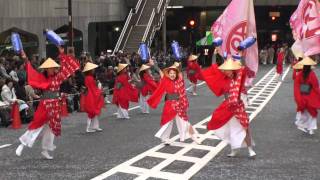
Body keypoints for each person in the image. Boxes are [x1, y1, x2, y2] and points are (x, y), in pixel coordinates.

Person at [15, 46, 80, 160]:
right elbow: (31, 71)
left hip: (55, 106)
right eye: (49, 68)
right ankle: (22, 144)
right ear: (46, 69)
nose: (51, 69)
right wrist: (25, 59)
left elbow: (70, 68)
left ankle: (45, 150)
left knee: (50, 130)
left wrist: (63, 54)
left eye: (53, 67)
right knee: (36, 126)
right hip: (44, 106)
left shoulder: (58, 77)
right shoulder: (41, 77)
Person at [206, 58, 256, 158]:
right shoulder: (223, 79)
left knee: (244, 126)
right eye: (226, 70)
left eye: (230, 69)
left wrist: (242, 56)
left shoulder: (238, 78)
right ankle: (234, 149)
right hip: (227, 106)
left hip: (238, 105)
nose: (227, 71)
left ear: (233, 69)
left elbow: (245, 70)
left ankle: (250, 149)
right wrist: (215, 55)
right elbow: (213, 69)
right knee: (230, 127)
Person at [147, 62, 200, 145]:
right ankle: (165, 139)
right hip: (169, 105)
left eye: (174, 73)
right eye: (170, 73)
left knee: (185, 122)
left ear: (176, 74)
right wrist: (153, 64)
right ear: (168, 74)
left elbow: (180, 73)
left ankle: (194, 137)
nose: (172, 74)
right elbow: (160, 71)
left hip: (179, 105)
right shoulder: (165, 80)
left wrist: (177, 66)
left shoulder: (179, 81)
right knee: (167, 123)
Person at [294, 57, 319, 135]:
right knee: (312, 112)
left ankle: (301, 124)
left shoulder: (300, 74)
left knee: (303, 111)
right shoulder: (311, 74)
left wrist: (298, 96)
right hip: (310, 94)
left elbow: (296, 84)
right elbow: (315, 86)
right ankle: (311, 128)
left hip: (302, 94)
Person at [82, 62, 104, 133]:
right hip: (91, 96)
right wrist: (99, 90)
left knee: (93, 111)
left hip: (90, 95)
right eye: (93, 69)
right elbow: (93, 88)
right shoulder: (90, 78)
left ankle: (94, 126)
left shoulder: (88, 78)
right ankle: (88, 128)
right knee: (92, 111)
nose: (94, 70)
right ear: (90, 70)